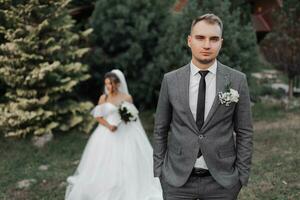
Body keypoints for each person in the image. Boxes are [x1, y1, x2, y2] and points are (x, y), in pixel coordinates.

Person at [153, 13, 253, 200]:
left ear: (221, 42)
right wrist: (160, 171)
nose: (207, 45)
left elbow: (245, 131)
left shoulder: (237, 80)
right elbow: (160, 129)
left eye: (213, 39)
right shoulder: (171, 80)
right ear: (189, 41)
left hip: (222, 182)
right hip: (176, 181)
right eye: (200, 38)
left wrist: (241, 176)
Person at [65, 69, 163, 200]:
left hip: (124, 131)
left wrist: (124, 120)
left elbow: (133, 116)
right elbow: (98, 116)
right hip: (106, 131)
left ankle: (125, 185)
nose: (108, 87)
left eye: (110, 84)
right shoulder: (103, 98)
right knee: (103, 160)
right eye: (106, 84)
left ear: (117, 84)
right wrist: (108, 126)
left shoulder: (126, 98)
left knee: (127, 159)